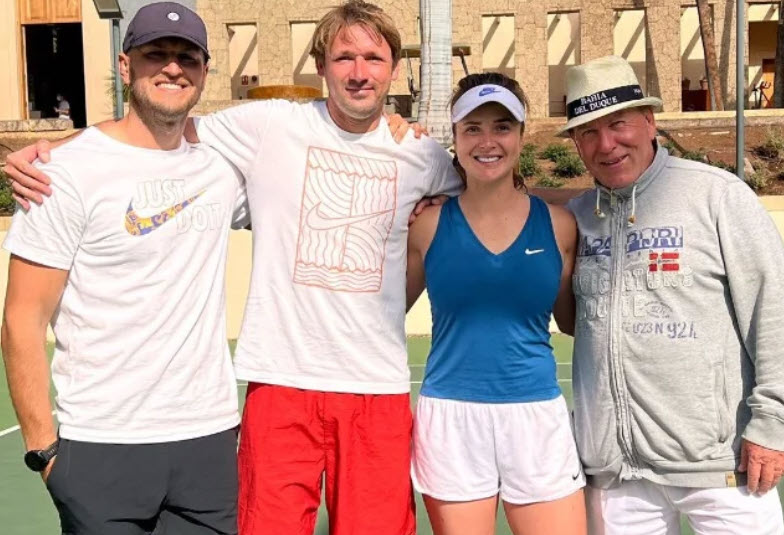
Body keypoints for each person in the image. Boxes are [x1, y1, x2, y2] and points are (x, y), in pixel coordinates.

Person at [4, 2, 461, 534]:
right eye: (343, 58)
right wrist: (54, 149)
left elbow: (479, 206)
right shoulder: (266, 126)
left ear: (395, 70)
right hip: (278, 385)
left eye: (374, 59)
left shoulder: (424, 156)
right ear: (320, 66)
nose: (359, 72)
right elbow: (157, 121)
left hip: (373, 389)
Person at [1, 3, 249, 534]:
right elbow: (22, 319)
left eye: (188, 57)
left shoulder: (223, 165)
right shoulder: (63, 174)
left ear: (205, 72)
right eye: (155, 54)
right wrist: (44, 451)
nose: (173, 67)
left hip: (208, 443)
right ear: (124, 64)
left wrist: (396, 133)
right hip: (102, 445)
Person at [561, 55, 784, 534]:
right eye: (588, 133)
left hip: (722, 466)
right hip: (616, 473)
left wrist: (771, 425)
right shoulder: (575, 217)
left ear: (649, 120)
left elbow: (773, 310)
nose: (606, 144)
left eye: (618, 124)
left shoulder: (717, 195)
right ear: (576, 143)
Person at [405, 72, 585, 535]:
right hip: (451, 418)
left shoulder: (561, 226)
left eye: (502, 126)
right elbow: (382, 314)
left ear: (522, 135)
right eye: (473, 128)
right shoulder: (426, 225)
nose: (487, 141)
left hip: (535, 415)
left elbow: (571, 322)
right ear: (456, 137)